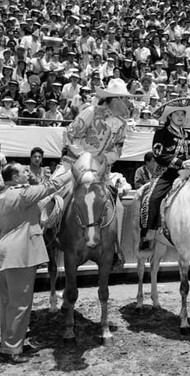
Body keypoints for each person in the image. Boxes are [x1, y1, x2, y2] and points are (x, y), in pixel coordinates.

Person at [53, 78, 133, 267]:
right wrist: (85, 157)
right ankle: (48, 235)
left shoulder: (122, 124)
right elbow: (70, 134)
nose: (128, 103)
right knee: (52, 190)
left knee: (118, 207)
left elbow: (118, 149)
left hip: (102, 171)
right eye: (124, 98)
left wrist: (106, 159)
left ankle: (114, 249)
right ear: (115, 99)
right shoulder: (90, 112)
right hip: (76, 163)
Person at [0, 162, 71, 364]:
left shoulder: (3, 196)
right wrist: (70, 172)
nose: (27, 172)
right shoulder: (22, 194)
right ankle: (12, 349)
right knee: (20, 304)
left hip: (4, 253)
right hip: (20, 255)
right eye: (23, 171)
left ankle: (8, 342)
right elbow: (51, 185)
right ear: (14, 178)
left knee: (5, 303)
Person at [139, 98, 190, 251]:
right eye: (176, 114)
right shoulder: (161, 133)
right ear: (169, 117)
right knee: (152, 198)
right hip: (166, 174)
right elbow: (159, 155)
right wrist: (181, 163)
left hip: (188, 174)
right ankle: (148, 233)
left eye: (182, 114)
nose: (180, 116)